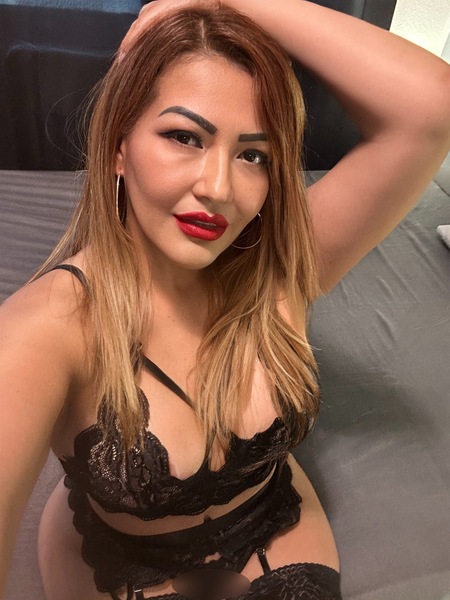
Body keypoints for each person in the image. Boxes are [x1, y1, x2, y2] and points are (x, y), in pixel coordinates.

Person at [1, 0, 449, 598]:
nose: (219, 189)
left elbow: (431, 105)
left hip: (274, 524)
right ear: (117, 146)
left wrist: (227, 0)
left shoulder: (279, 266)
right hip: (120, 562)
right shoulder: (45, 328)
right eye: (184, 137)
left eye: (252, 155)